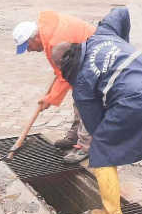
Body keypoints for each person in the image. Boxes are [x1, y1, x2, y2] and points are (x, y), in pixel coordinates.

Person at [51, 8, 142, 214]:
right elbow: (121, 12)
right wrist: (121, 45)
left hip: (136, 99)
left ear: (62, 68)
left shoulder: (82, 85)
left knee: (101, 149)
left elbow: (96, 128)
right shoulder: (102, 35)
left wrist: (116, 148)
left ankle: (112, 213)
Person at [12, 11, 96, 163]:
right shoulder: (46, 31)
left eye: (28, 46)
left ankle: (85, 146)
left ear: (35, 37)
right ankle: (76, 134)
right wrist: (49, 97)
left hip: (94, 57)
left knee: (86, 101)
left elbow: (64, 77)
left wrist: (49, 99)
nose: (29, 50)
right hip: (81, 57)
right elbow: (62, 72)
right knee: (78, 94)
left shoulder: (56, 43)